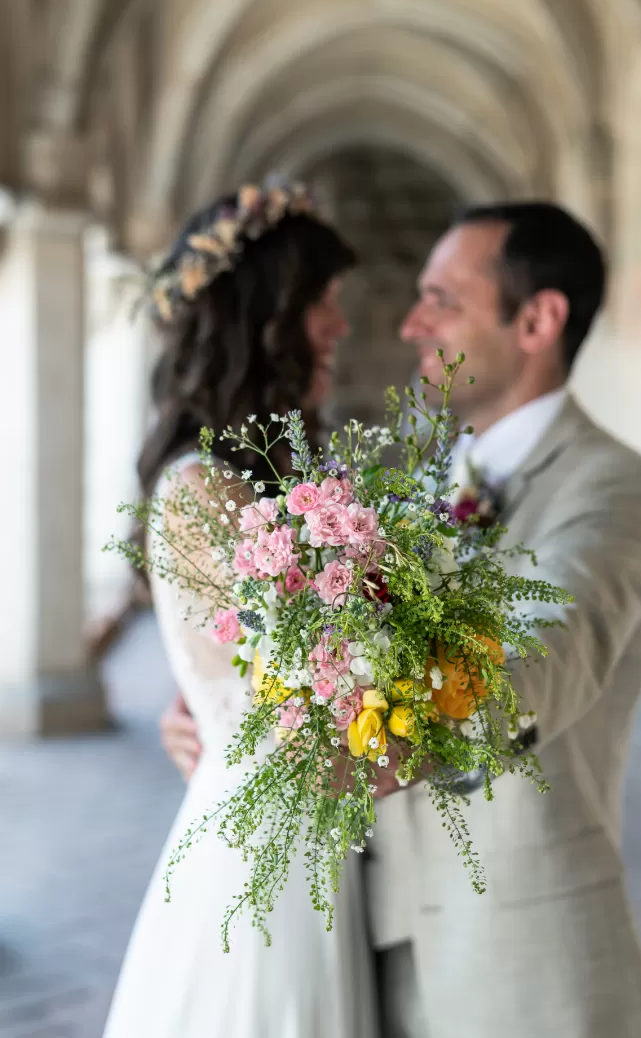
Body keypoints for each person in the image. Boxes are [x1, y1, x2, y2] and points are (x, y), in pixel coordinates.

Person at [161, 201, 641, 1038]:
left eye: (442, 300)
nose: (409, 325)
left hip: (524, 968)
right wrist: (245, 707)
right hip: (372, 949)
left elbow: (548, 650)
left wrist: (353, 745)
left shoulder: (611, 486)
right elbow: (334, 643)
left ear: (538, 320)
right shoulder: (426, 484)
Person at [104, 183, 379, 1038]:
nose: (338, 324)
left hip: (303, 833)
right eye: (322, 301)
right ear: (265, 317)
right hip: (268, 859)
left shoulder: (264, 480)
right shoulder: (203, 489)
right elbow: (285, 701)